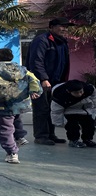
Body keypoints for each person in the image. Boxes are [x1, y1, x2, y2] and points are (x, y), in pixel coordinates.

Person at [26, 17, 70, 145]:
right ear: (51, 27)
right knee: (42, 108)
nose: (64, 29)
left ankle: (51, 134)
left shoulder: (62, 42)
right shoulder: (41, 40)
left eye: (66, 27)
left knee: (52, 108)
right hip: (40, 82)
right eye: (61, 26)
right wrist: (43, 78)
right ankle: (41, 136)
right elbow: (36, 61)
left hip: (56, 82)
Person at [51, 79, 96, 148]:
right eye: (76, 93)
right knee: (72, 126)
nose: (79, 94)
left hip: (85, 109)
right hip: (69, 111)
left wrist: (93, 107)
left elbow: (94, 97)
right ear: (69, 91)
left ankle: (87, 139)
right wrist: (58, 123)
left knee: (89, 124)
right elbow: (56, 111)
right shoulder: (60, 95)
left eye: (81, 92)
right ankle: (73, 140)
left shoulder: (89, 89)